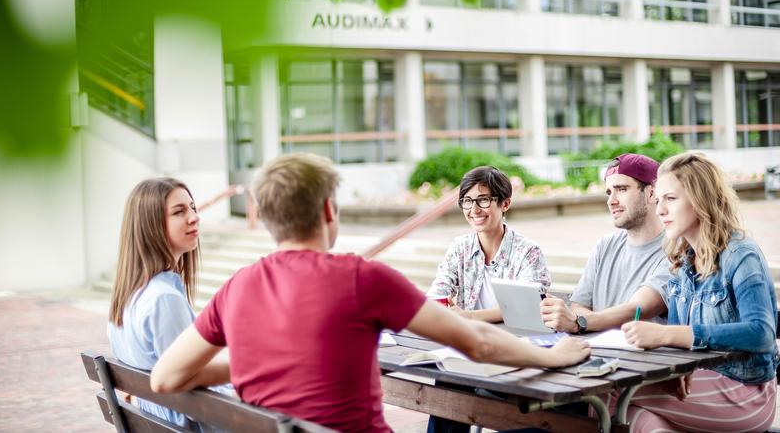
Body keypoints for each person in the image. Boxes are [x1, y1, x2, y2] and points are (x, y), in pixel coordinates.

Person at [150, 153, 591, 432]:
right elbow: (475, 342)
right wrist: (553, 356)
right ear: (328, 211)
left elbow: (165, 377)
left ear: (265, 218)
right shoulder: (362, 279)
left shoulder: (236, 287)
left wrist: (261, 360)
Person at [616, 152, 778, 432]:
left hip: (747, 392)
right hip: (700, 384)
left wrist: (668, 335)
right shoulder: (681, 262)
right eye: (660, 199)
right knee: (633, 415)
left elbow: (761, 333)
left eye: (671, 199)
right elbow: (681, 348)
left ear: (701, 199)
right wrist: (678, 367)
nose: (660, 210)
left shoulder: (741, 254)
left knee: (614, 394)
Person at [107, 177, 229, 428]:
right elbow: (188, 390)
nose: (195, 217)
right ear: (150, 225)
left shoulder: (130, 296)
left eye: (193, 208)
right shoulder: (163, 299)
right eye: (179, 211)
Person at [540, 153, 670, 334]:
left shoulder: (675, 249)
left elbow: (638, 309)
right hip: (597, 354)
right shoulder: (605, 245)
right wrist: (579, 319)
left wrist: (580, 322)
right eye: (609, 192)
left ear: (652, 193)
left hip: (647, 360)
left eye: (622, 189)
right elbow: (579, 306)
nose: (611, 201)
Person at [428, 165, 550, 323]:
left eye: (483, 200)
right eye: (467, 201)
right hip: (469, 339)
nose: (474, 209)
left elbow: (529, 307)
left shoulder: (528, 252)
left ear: (505, 204)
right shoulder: (460, 248)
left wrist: (469, 316)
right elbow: (439, 290)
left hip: (515, 340)